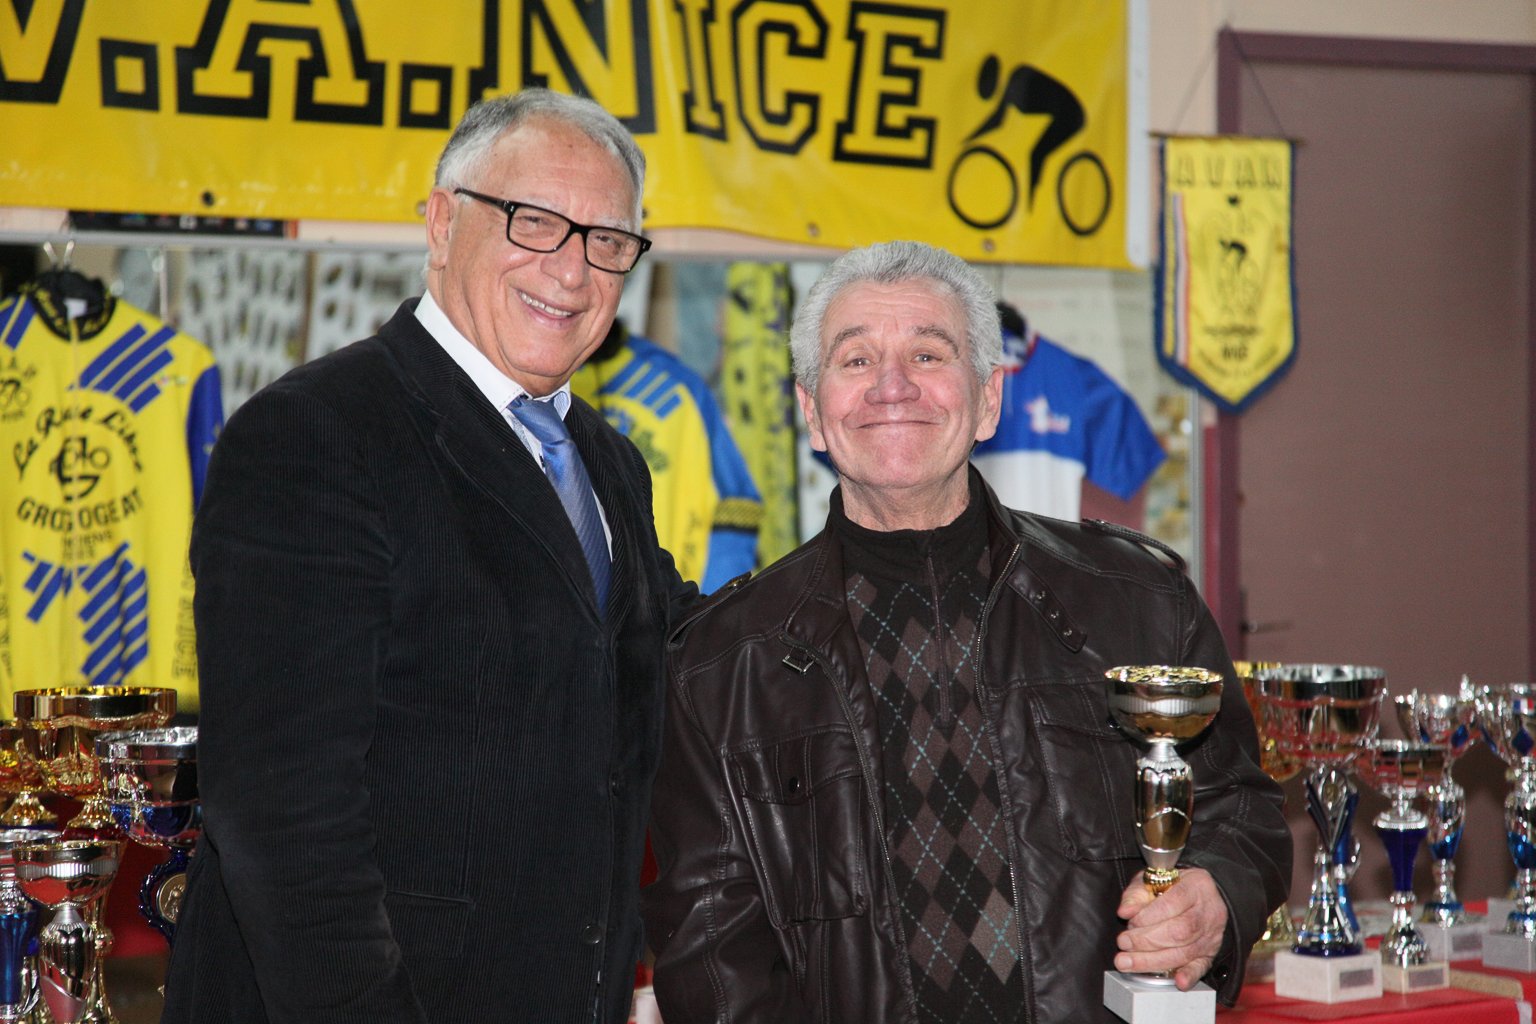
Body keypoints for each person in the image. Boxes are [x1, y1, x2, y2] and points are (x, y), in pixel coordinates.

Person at [641, 240, 1290, 1023]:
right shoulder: (721, 665)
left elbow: (1242, 811)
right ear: (811, 411)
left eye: (927, 353)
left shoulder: (1139, 602)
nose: (892, 386)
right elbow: (710, 953)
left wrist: (1216, 896)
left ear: (987, 400)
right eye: (855, 360)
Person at [163, 88, 696, 1024]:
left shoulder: (609, 462)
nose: (571, 270)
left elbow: (681, 651)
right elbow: (284, 817)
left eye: (608, 241)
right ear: (443, 223)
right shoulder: (315, 433)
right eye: (535, 222)